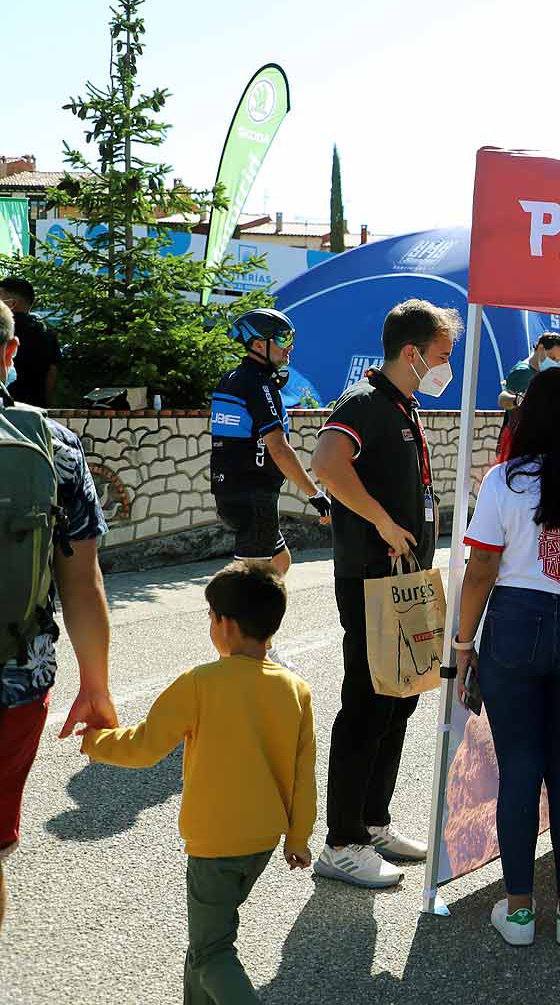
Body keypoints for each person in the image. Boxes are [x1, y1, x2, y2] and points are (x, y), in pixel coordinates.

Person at [452, 365, 560, 947]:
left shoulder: (504, 481)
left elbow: (480, 571)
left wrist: (462, 644)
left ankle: (520, 910)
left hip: (514, 624)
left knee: (520, 770)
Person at [78, 561, 314, 1002]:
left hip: (214, 845)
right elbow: (304, 774)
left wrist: (95, 743)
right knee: (205, 943)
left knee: (211, 952)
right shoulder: (296, 690)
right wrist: (298, 836)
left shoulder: (200, 683)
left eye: (210, 616)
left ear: (224, 625)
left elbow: (145, 746)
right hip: (262, 842)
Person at [308, 298, 461, 887]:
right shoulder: (365, 404)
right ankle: (342, 841)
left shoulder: (405, 406)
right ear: (411, 352)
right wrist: (379, 521)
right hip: (372, 579)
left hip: (406, 582)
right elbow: (326, 462)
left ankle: (373, 821)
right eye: (442, 356)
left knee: (401, 698)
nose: (446, 366)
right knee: (367, 705)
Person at [0, 301, 115, 931]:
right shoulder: (55, 446)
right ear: (11, 355)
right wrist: (94, 687)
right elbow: (83, 582)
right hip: (15, 680)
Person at [210, 308, 331, 575]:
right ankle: (228, 615)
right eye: (282, 338)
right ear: (257, 344)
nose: (289, 347)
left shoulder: (231, 379)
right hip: (254, 496)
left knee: (280, 561)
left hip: (230, 492)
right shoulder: (258, 385)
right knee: (249, 584)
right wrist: (315, 494)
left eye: (291, 338)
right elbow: (278, 447)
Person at [497, 331, 560, 459]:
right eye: (552, 358)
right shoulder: (523, 372)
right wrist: (517, 400)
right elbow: (506, 400)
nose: (555, 363)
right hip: (517, 448)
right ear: (540, 348)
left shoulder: (542, 374)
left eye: (558, 360)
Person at [0, 277, 60, 407]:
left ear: (12, 304)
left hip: (4, 407)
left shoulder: (4, 329)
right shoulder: (47, 332)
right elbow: (52, 372)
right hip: (36, 407)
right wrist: (49, 404)